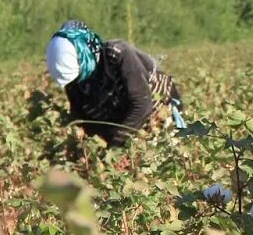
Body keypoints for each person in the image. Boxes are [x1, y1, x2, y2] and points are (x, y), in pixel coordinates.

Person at [45, 20, 185, 143]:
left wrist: (115, 144)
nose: (75, 84)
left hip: (158, 113)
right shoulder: (72, 82)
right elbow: (82, 120)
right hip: (123, 123)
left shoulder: (118, 54)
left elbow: (142, 104)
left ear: (85, 57)